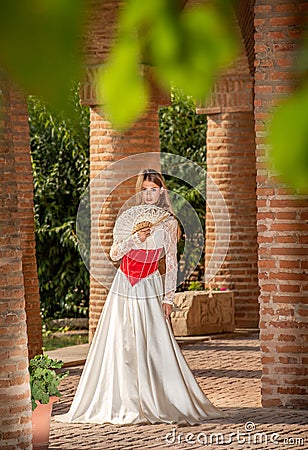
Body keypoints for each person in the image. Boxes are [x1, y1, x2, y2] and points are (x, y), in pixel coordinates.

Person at [55, 169, 226, 425]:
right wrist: (135, 239)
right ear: (140, 190)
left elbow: (171, 263)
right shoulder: (129, 217)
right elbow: (114, 253)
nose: (149, 194)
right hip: (124, 284)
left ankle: (157, 399)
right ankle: (124, 399)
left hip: (150, 284)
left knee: (154, 343)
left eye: (154, 190)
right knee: (121, 341)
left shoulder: (168, 222)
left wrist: (168, 299)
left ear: (161, 191)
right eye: (145, 189)